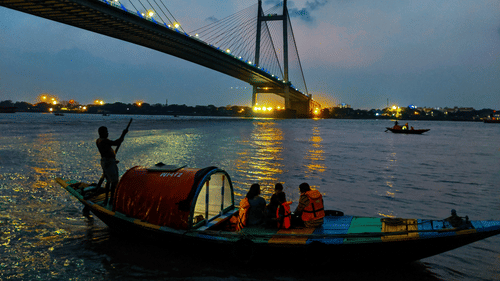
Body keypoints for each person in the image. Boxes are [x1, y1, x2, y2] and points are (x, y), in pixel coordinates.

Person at [96, 126, 127, 206]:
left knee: (109, 181)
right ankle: (111, 199)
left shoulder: (98, 141)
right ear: (101, 133)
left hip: (107, 162)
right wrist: (123, 134)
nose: (107, 133)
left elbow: (107, 151)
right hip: (108, 162)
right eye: (106, 132)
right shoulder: (103, 141)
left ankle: (107, 199)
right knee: (114, 181)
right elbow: (117, 143)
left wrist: (113, 159)